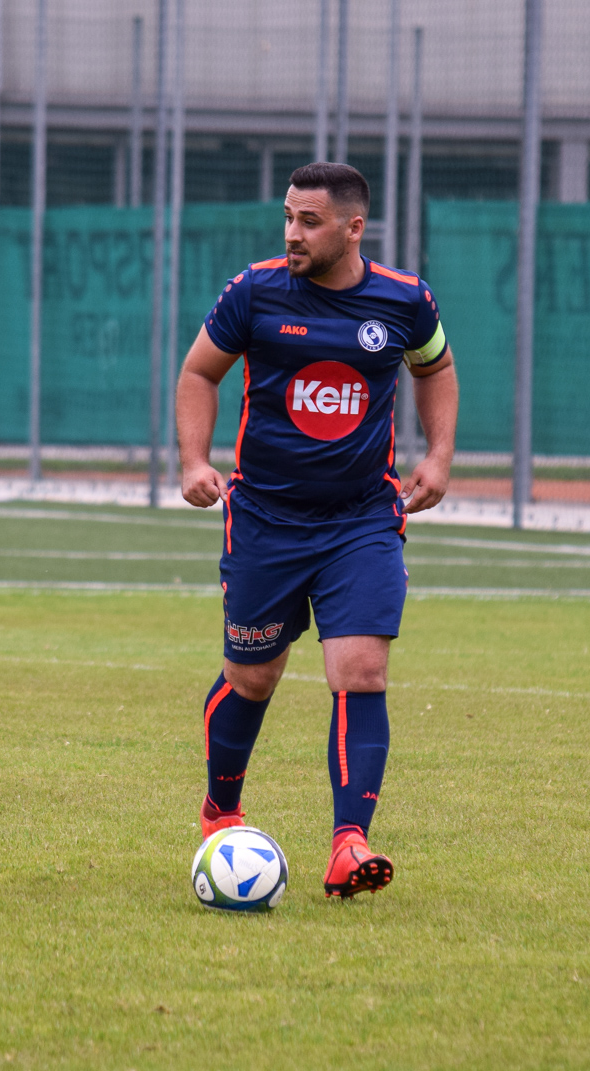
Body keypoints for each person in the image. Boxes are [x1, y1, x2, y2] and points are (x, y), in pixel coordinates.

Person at [175, 162, 459, 898]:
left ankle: (348, 844)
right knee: (253, 676)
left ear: (353, 228)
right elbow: (199, 372)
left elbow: (435, 369)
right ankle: (221, 810)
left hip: (361, 520)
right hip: (264, 519)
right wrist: (194, 460)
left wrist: (439, 454)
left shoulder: (405, 300)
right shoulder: (254, 291)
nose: (292, 234)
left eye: (309, 221)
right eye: (288, 218)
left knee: (361, 671)